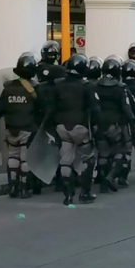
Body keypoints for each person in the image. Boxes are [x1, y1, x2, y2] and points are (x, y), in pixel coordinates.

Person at [51, 54, 100, 205]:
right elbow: (95, 108)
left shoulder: (57, 85)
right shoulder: (87, 86)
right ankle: (85, 193)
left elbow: (51, 107)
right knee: (88, 159)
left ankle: (68, 195)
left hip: (62, 128)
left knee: (65, 160)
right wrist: (96, 126)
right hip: (80, 127)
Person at [0, 53, 42, 199]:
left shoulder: (7, 88)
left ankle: (12, 186)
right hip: (27, 128)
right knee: (25, 159)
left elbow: (0, 109)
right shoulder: (34, 89)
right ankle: (24, 188)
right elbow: (41, 109)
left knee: (13, 156)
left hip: (11, 129)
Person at [93, 57, 135, 194]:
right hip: (115, 124)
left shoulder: (95, 86)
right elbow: (126, 107)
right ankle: (110, 177)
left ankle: (102, 182)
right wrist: (133, 122)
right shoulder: (120, 88)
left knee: (103, 154)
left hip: (99, 124)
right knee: (121, 152)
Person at [36, 41, 67, 193]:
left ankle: (36, 181)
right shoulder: (59, 77)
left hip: (40, 116)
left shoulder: (37, 79)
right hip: (54, 116)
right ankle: (59, 178)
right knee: (57, 147)